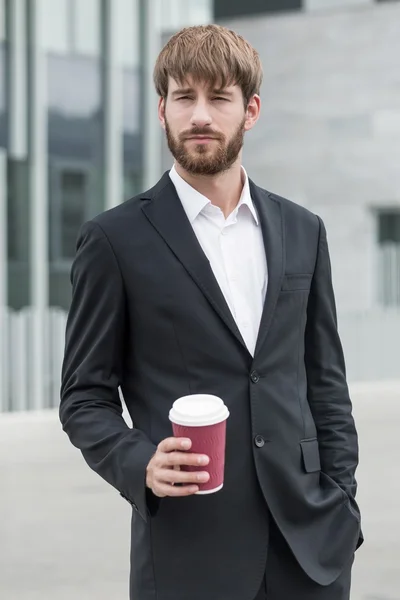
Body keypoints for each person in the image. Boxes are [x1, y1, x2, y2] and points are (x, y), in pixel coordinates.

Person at [60, 24, 363, 600]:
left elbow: (325, 382)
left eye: (218, 97)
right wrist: (138, 462)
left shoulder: (304, 230)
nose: (200, 115)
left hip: (312, 550)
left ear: (249, 110)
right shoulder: (113, 239)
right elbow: (83, 396)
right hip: (188, 554)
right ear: (162, 110)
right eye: (184, 97)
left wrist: (342, 505)